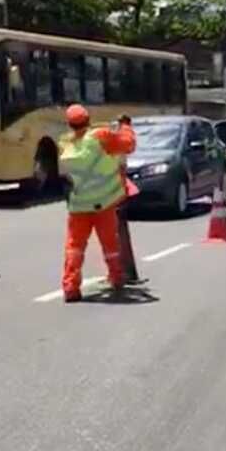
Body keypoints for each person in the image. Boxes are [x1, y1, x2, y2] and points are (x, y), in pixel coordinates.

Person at [57, 104, 136, 302]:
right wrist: (125, 125)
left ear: (70, 124)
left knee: (74, 247)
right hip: (104, 201)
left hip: (78, 205)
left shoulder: (65, 144)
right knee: (110, 244)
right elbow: (128, 144)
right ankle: (117, 278)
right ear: (88, 119)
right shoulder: (100, 136)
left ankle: (71, 287)